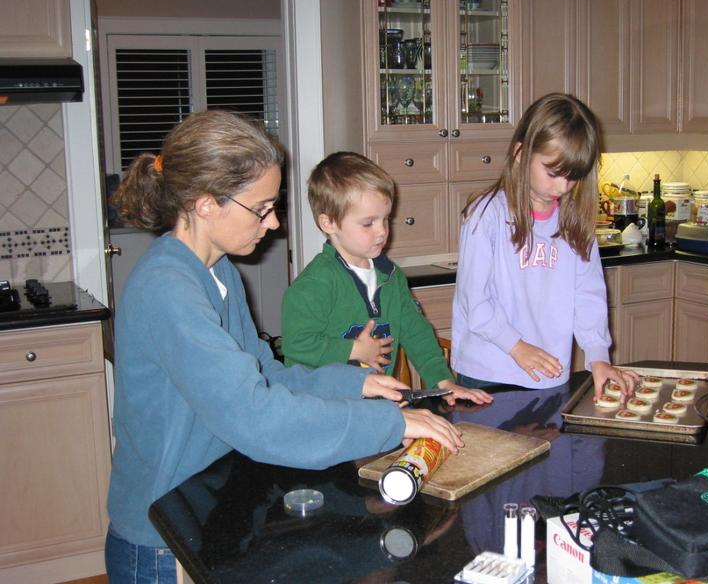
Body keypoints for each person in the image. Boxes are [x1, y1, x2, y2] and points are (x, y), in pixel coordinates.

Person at [105, 111, 463, 584]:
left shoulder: (218, 271)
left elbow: (264, 374)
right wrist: (390, 423)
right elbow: (255, 415)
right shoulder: (168, 289)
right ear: (206, 203)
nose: (273, 223)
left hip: (211, 511)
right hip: (162, 536)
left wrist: (354, 384)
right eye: (261, 208)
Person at [451, 93, 638, 401]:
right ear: (520, 153)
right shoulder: (487, 215)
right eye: (553, 173)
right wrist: (516, 346)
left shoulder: (574, 221)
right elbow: (476, 302)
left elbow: (588, 295)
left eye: (573, 177)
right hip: (488, 373)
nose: (563, 187)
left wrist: (598, 356)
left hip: (548, 375)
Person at [281, 151, 492, 406]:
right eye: (368, 223)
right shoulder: (313, 285)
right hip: (324, 410)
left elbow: (416, 331)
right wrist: (354, 350)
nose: (382, 231)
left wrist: (442, 381)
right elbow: (297, 345)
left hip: (376, 407)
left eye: (386, 219)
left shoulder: (392, 276)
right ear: (329, 223)